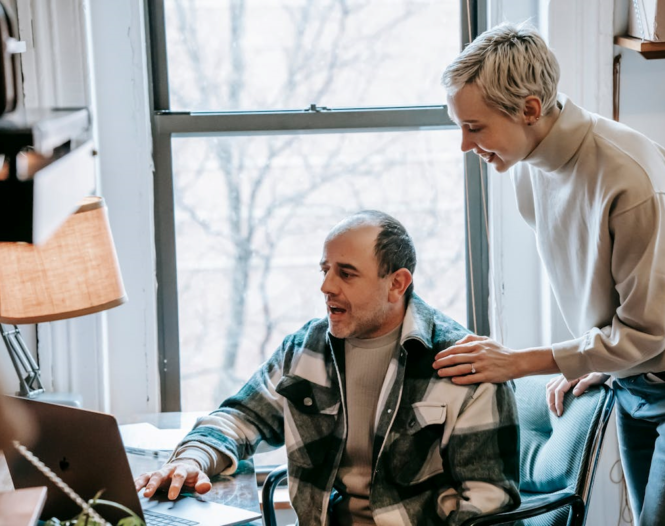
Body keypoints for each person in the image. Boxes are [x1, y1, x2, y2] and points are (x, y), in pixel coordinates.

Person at [433, 22, 665, 526]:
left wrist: (522, 362)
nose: (465, 146)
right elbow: (612, 300)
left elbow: (649, 330)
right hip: (633, 379)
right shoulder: (528, 165)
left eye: (475, 127)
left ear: (531, 109)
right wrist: (593, 357)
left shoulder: (629, 177)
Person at [135, 211, 520, 526]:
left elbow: (490, 507)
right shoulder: (308, 348)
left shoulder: (465, 364)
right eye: (325, 270)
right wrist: (192, 459)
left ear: (396, 284)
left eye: (346, 273)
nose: (326, 286)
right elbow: (240, 418)